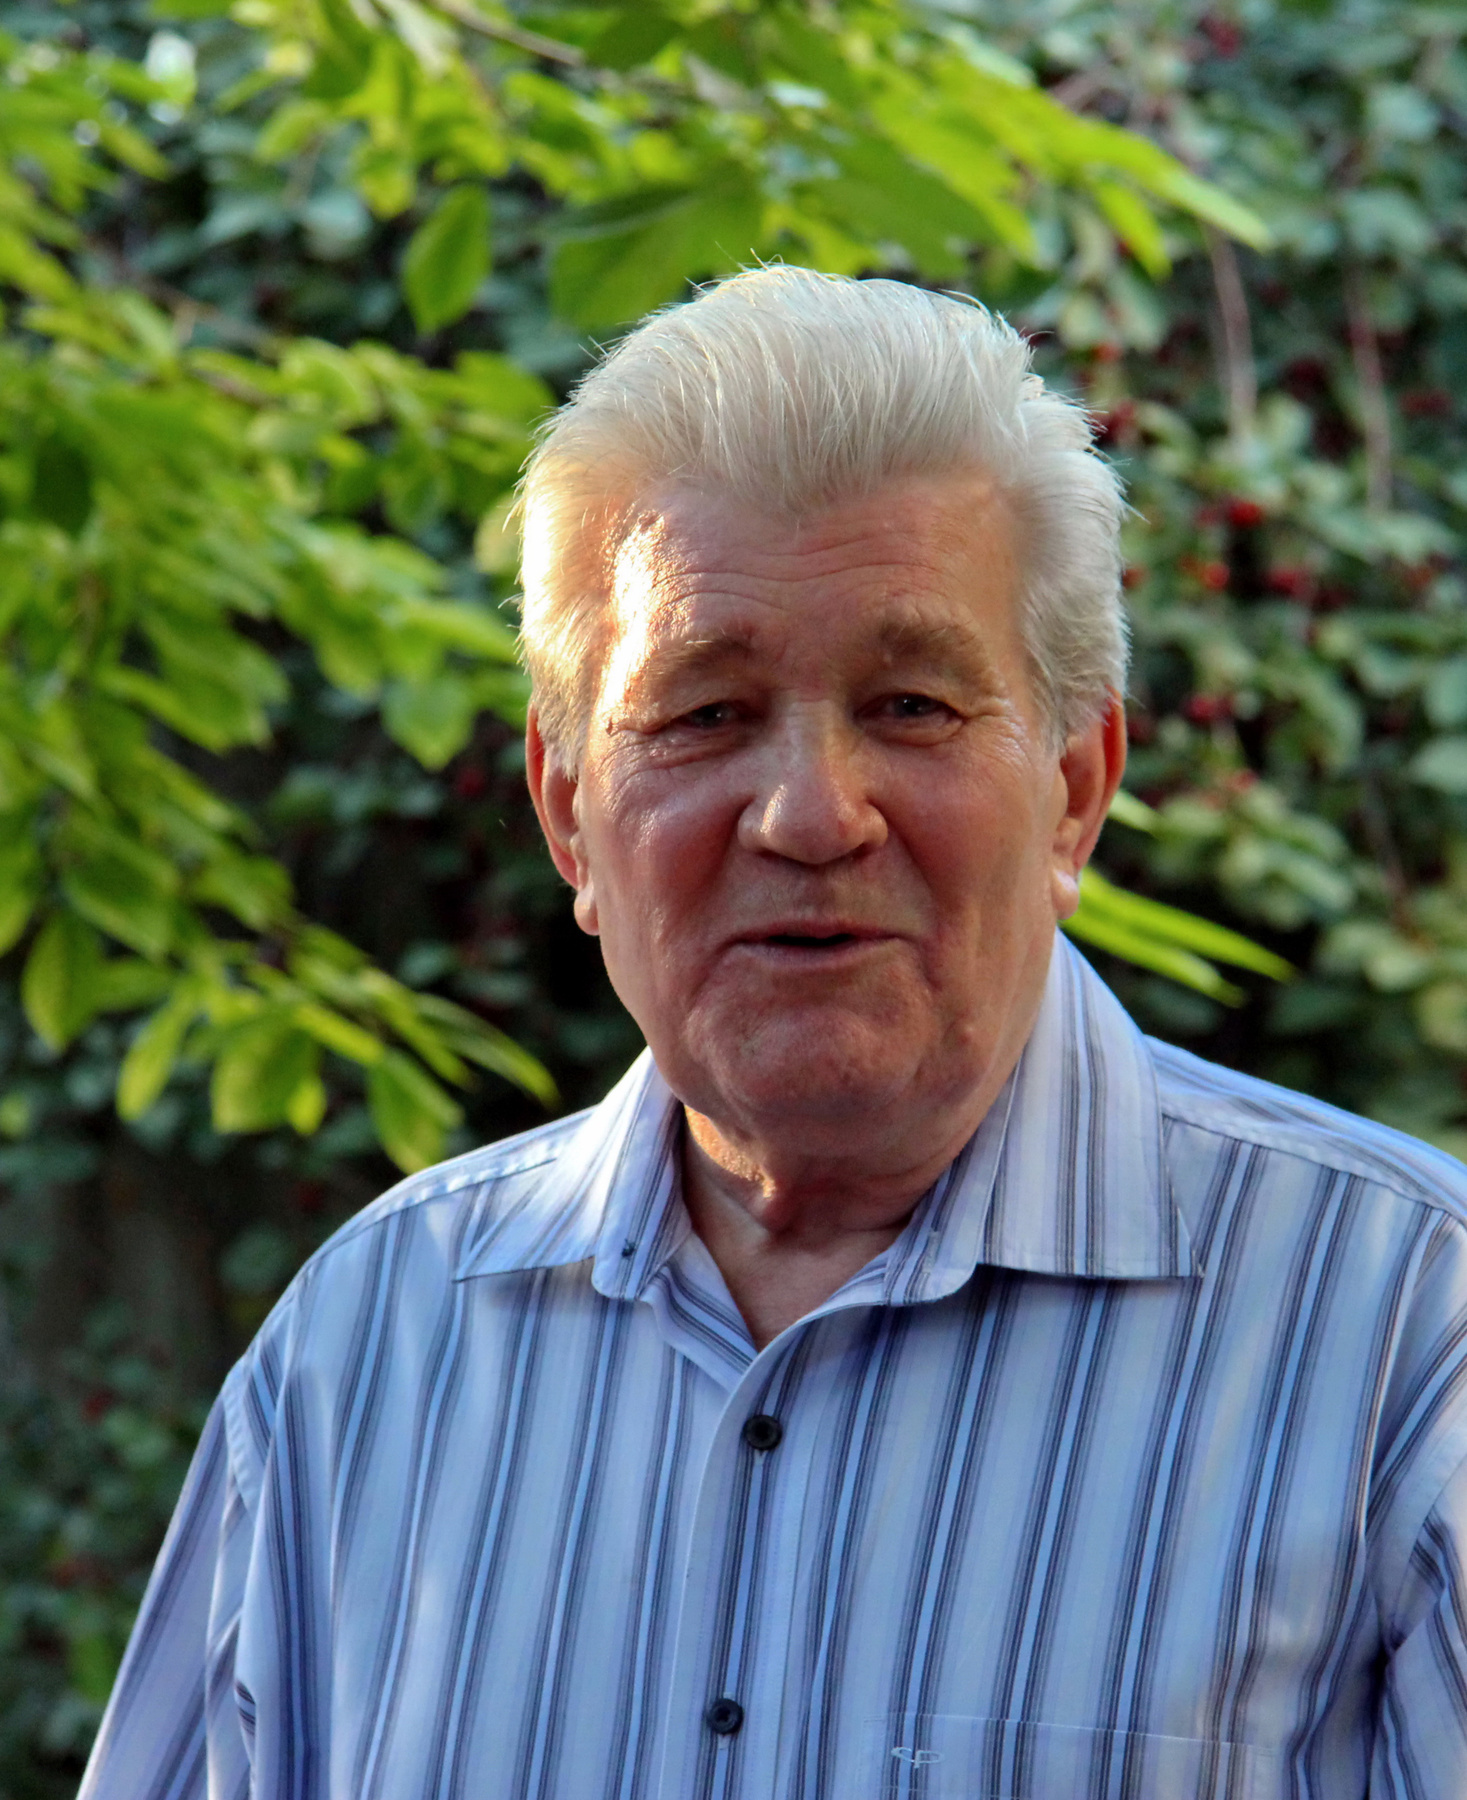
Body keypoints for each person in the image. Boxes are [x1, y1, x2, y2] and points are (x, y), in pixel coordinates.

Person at [80, 268, 1467, 1800]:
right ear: (568, 813)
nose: (811, 815)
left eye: (914, 705)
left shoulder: (1410, 1337)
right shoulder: (362, 1355)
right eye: (703, 715)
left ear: (1076, 790)